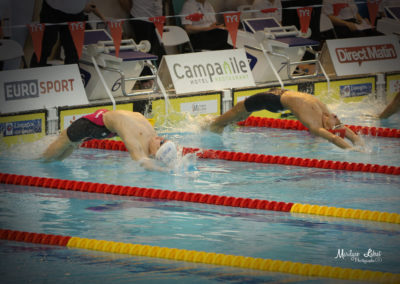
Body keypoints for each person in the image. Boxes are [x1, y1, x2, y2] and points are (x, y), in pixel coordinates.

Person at [208, 89, 364, 150]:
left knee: (242, 114)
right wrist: (353, 150)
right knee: (239, 111)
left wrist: (359, 142)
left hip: (279, 96)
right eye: (332, 126)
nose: (334, 126)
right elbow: (333, 138)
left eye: (333, 125)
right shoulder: (315, 125)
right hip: (271, 99)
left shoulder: (326, 114)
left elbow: (340, 129)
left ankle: (217, 125)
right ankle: (212, 124)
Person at [42, 109, 178, 172]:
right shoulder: (134, 137)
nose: (160, 138)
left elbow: (147, 160)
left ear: (155, 153)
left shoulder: (146, 138)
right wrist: (165, 170)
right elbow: (141, 161)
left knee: (64, 151)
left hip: (106, 125)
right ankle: (38, 161)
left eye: (161, 143)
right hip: (93, 124)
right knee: (54, 154)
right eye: (165, 140)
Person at [30, 0, 106, 67]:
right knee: (47, 42)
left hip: (76, 14)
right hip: (52, 10)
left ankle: (73, 74)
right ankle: (34, 71)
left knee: (73, 49)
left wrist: (102, 17)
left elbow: (91, 5)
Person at [118, 0, 164, 89]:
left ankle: (150, 77)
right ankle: (144, 79)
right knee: (143, 51)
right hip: (141, 18)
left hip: (153, 19)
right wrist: (132, 11)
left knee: (151, 51)